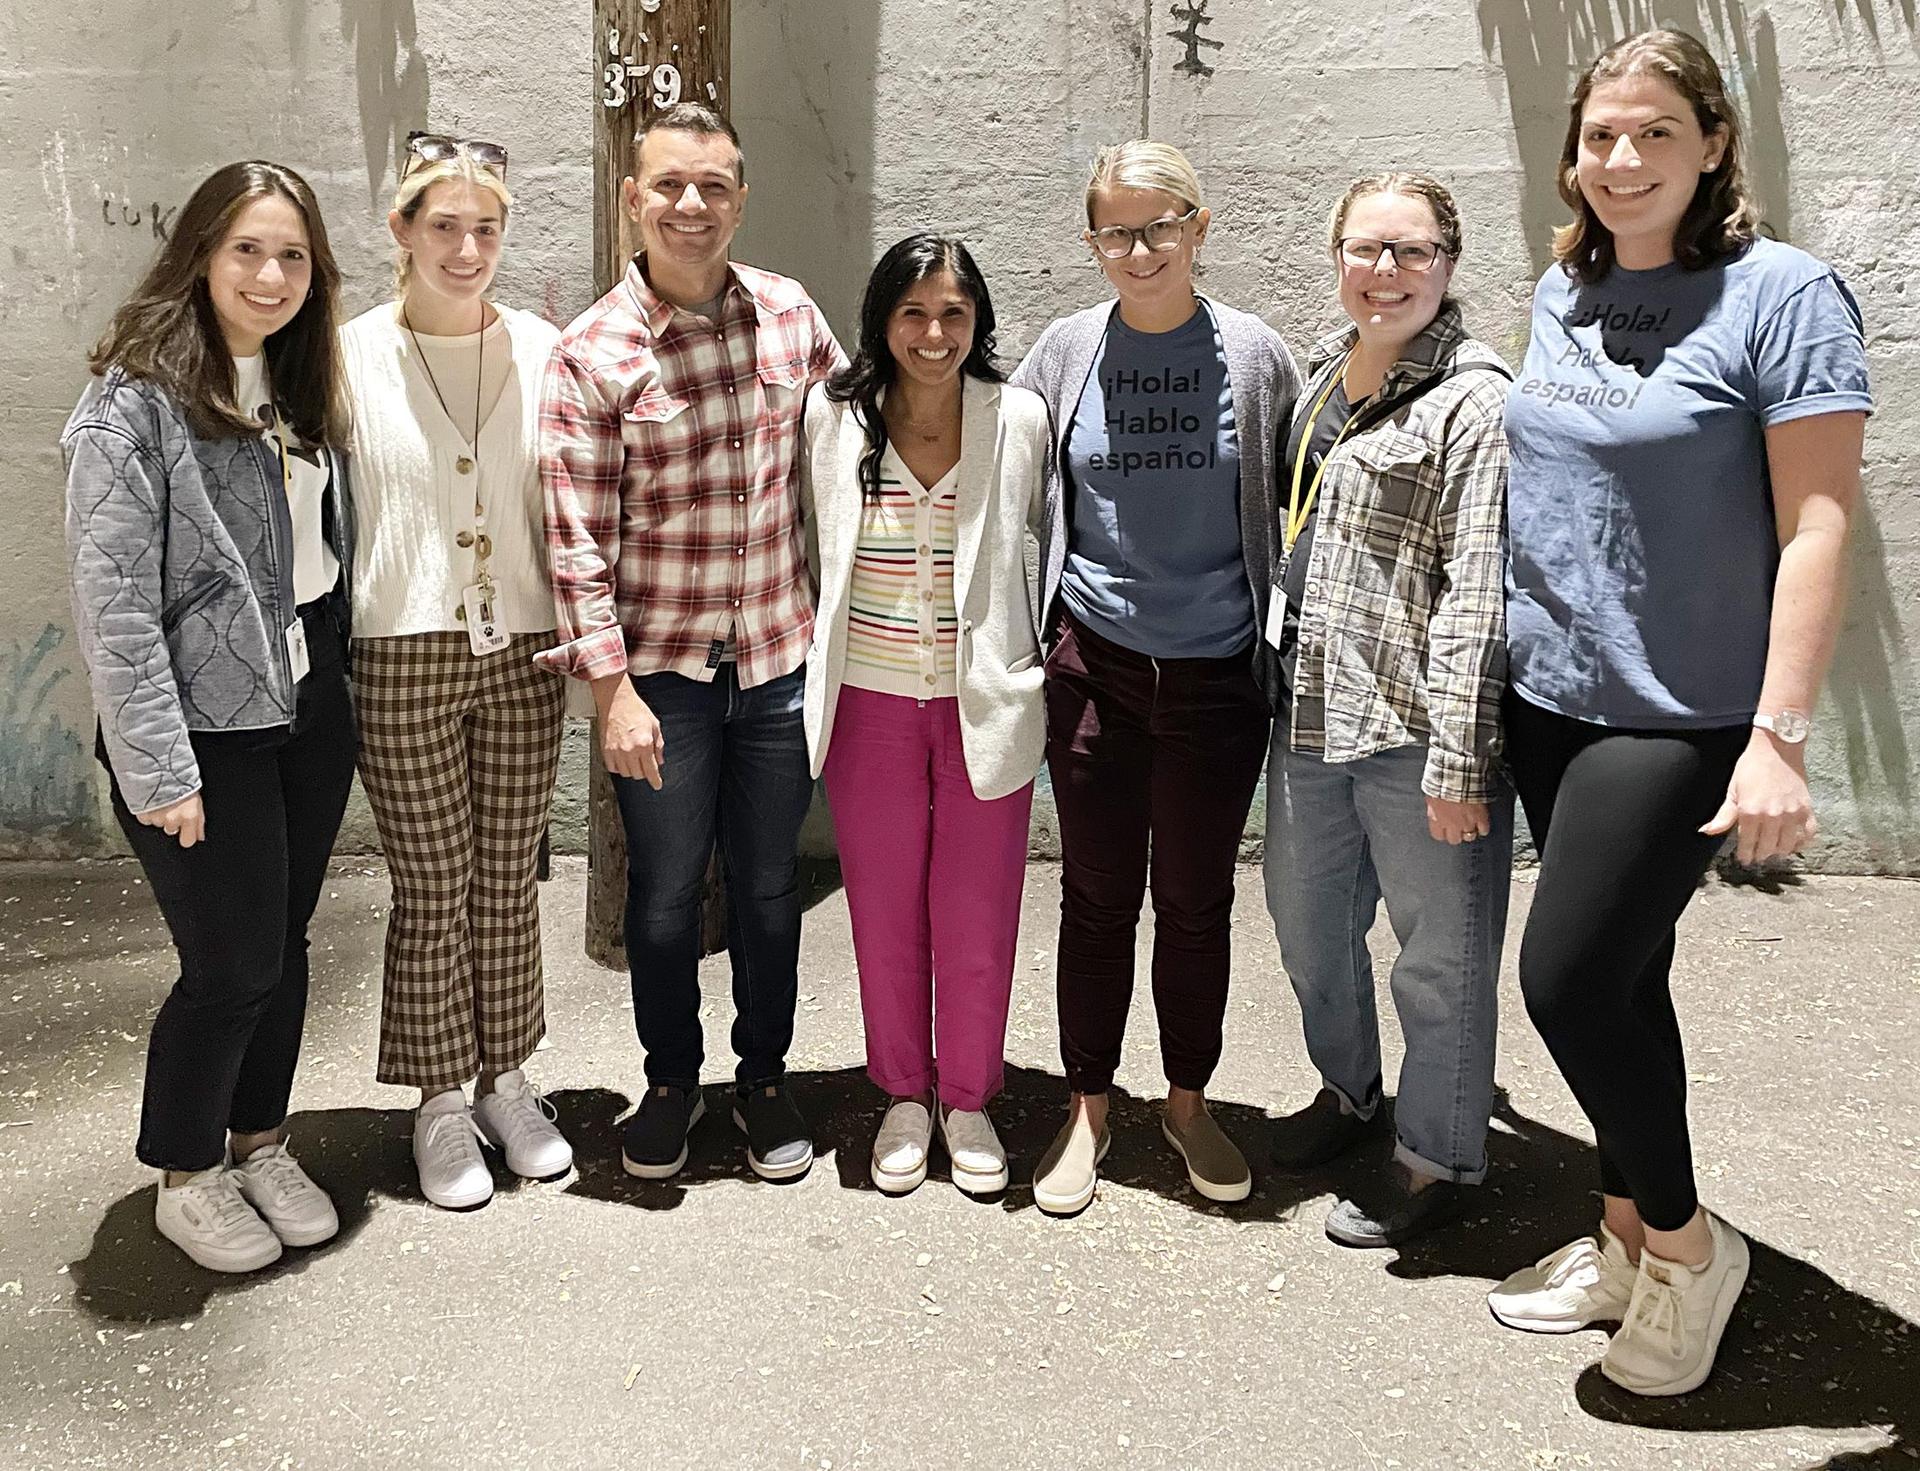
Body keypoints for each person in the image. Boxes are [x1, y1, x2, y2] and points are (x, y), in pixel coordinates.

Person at [1485, 30, 1871, 1396]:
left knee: (1568, 977)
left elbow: (1818, 525)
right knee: (1626, 978)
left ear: (1714, 143)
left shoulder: (1784, 295)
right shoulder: (1564, 287)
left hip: (1684, 710)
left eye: (1655, 132)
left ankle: (1693, 1247)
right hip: (1551, 697)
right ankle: (1623, 1228)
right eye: (1600, 136)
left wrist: (1778, 731)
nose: (1623, 159)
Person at [538, 103, 844, 1182]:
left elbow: (852, 457)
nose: (691, 205)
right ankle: (670, 1081)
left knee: (768, 886)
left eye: (713, 185)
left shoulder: (793, 317)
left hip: (775, 662)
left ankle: (763, 1079)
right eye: (669, 184)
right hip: (659, 680)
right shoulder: (594, 351)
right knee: (664, 894)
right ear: (633, 198)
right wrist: (610, 691)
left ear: (740, 198)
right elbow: (574, 542)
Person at [62, 161, 356, 1272]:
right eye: (247, 249)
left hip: (310, 704)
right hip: (201, 728)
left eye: (292, 255)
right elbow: (116, 605)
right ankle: (189, 1170)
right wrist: (159, 766)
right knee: (230, 960)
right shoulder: (131, 406)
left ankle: (260, 1137)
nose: (271, 274)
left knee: (282, 942)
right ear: (198, 254)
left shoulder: (299, 385)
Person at [1011, 141, 1301, 1215]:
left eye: (1160, 225)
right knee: (1093, 899)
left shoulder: (1255, 356)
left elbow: (1292, 503)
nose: (1139, 251)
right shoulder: (1065, 352)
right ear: (1092, 242)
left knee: (1193, 903)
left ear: (1200, 225)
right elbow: (1026, 497)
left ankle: (1185, 1101)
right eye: (1115, 232)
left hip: (1218, 675)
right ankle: (1088, 1104)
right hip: (1095, 664)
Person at [1261, 172, 1514, 1247]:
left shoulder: (1475, 399)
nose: (1387, 272)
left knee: (1439, 951)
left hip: (1414, 726)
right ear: (1337, 258)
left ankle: (1438, 1151)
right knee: (1310, 926)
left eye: (1412, 252)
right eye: (1367, 250)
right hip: (1308, 710)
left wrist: (1462, 758)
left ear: (1449, 263)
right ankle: (1349, 1092)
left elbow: (1482, 585)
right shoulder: (1322, 375)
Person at [340, 132, 572, 1210]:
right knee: (433, 885)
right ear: (402, 230)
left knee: (509, 880)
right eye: (446, 226)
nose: (468, 246)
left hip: (525, 646)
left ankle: (508, 1081)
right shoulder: (344, 357)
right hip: (400, 649)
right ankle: (437, 1099)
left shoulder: (539, 345)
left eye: (487, 227)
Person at [800, 235, 1049, 1196]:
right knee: (886, 907)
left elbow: (1056, 543)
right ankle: (906, 1092)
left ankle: (970, 1098)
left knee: (977, 911)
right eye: (912, 313)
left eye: (953, 313)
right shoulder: (835, 418)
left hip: (982, 698)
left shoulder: (1016, 416)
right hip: (868, 697)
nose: (934, 333)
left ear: (978, 319)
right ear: (881, 322)